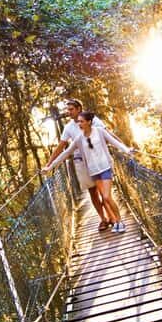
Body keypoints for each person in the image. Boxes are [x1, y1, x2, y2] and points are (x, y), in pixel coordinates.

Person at [43, 111, 133, 233]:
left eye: (81, 121)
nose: (79, 123)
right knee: (105, 197)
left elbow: (114, 142)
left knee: (106, 197)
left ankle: (119, 221)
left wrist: (127, 150)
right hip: (94, 172)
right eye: (78, 121)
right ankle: (117, 223)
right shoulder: (79, 139)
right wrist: (50, 166)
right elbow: (66, 153)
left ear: (89, 122)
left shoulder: (99, 131)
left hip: (105, 168)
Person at [44, 98, 111, 231]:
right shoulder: (68, 127)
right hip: (81, 162)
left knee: (105, 191)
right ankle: (103, 219)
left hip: (97, 160)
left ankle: (111, 216)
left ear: (79, 109)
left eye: (71, 109)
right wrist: (49, 163)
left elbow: (107, 135)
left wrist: (123, 148)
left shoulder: (93, 120)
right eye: (67, 110)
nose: (69, 112)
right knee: (93, 192)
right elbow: (62, 146)